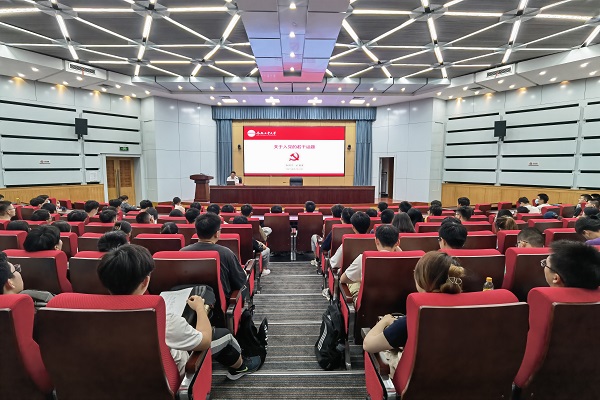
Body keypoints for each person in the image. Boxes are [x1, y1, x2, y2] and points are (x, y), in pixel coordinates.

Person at [97, 244, 260, 380]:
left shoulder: (89, 315)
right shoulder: (161, 318)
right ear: (145, 281)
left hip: (115, 379)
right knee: (224, 335)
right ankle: (241, 367)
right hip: (170, 379)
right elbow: (204, 341)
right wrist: (200, 308)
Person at [363, 251, 465, 358]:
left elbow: (368, 345)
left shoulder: (412, 320)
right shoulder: (470, 312)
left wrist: (385, 321)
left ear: (423, 279)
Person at [180, 213, 247, 299]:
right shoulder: (226, 253)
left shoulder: (182, 252)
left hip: (189, 300)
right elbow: (240, 282)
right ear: (217, 233)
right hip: (219, 303)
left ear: (197, 232)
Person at [341, 225, 401, 302]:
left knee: (354, 282)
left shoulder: (363, 258)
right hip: (397, 305)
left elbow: (343, 279)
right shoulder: (407, 261)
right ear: (398, 242)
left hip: (367, 305)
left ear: (376, 241)